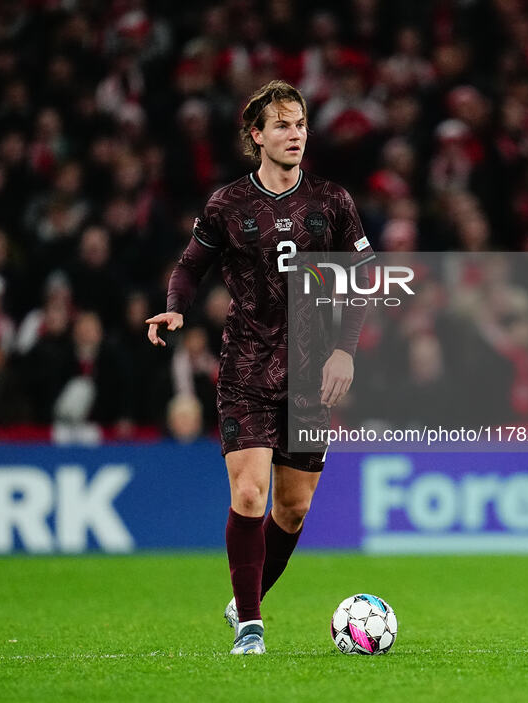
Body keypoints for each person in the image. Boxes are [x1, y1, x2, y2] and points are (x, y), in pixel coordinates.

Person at [146, 80, 373, 655]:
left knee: (292, 510)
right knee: (249, 496)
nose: (294, 134)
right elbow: (189, 268)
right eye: (282, 125)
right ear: (257, 135)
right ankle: (251, 625)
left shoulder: (333, 203)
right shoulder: (228, 204)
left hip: (311, 375)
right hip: (246, 367)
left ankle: (245, 594)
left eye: (300, 124)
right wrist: (175, 311)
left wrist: (345, 348)